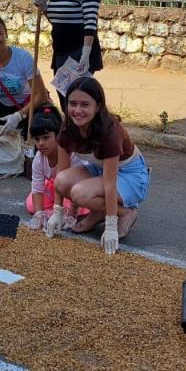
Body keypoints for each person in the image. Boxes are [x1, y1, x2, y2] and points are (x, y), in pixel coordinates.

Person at [44, 77, 148, 254]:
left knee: (79, 193)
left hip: (130, 174)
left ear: (98, 106)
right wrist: (58, 212)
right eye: (72, 104)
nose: (77, 110)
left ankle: (124, 213)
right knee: (62, 181)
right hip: (99, 170)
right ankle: (99, 211)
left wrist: (110, 227)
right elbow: (61, 171)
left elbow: (109, 183)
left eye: (85, 104)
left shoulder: (110, 131)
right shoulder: (68, 127)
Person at [32, 0, 103, 106]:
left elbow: (90, 22)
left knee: (74, 103)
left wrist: (85, 55)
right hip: (61, 52)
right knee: (66, 102)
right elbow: (58, 19)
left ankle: (92, 132)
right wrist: (44, 6)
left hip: (78, 52)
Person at [24, 102, 87, 229]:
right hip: (54, 188)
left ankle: (72, 211)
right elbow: (37, 187)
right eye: (37, 139)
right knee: (32, 204)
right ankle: (51, 211)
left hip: (74, 190)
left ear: (58, 136)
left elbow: (81, 183)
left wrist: (72, 213)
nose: (40, 143)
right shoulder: (39, 158)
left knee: (74, 202)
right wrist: (39, 213)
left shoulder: (73, 156)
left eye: (46, 138)